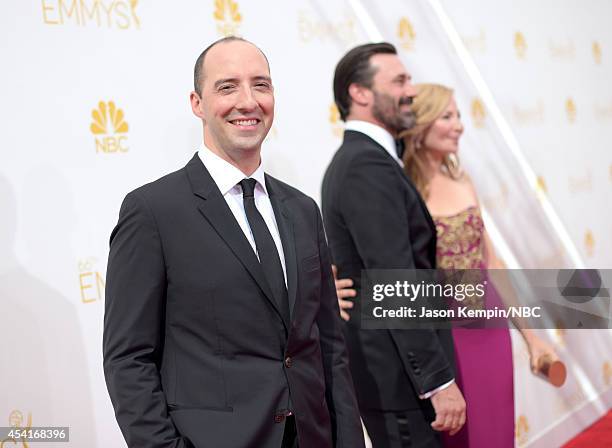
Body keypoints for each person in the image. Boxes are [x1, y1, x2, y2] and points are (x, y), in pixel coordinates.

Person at [103, 36, 365, 448]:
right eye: (227, 87)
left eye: (261, 85)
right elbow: (128, 359)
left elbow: (329, 346)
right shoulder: (152, 211)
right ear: (197, 103)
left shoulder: (302, 209)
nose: (248, 101)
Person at [336, 83, 558, 447]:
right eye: (447, 116)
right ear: (421, 126)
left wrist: (533, 339)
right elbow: (377, 261)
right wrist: (333, 282)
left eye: (459, 116)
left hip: (490, 328)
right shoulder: (400, 188)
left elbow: (492, 263)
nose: (459, 126)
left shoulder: (463, 179)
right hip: (441, 337)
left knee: (498, 433)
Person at [321, 43, 466, 448]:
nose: (412, 90)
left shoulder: (373, 160)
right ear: (360, 93)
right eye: (399, 80)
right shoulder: (365, 165)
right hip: (401, 383)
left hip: (399, 377)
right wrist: (437, 382)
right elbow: (396, 281)